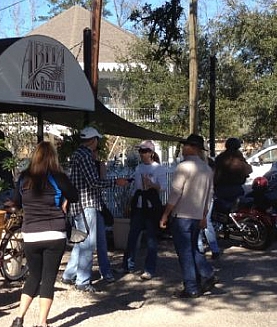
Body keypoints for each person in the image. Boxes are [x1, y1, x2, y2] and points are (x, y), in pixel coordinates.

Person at [8, 141, 79, 327]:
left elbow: (16, 202)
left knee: (33, 276)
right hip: (54, 233)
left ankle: (19, 318)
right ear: (53, 157)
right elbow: (74, 195)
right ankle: (41, 324)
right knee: (48, 278)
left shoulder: (24, 178)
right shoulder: (58, 177)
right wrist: (64, 201)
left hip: (30, 234)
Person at [62, 127, 128, 293]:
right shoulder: (85, 156)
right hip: (87, 205)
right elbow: (94, 182)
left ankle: (69, 274)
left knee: (84, 241)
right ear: (93, 140)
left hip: (81, 205)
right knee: (88, 244)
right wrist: (116, 182)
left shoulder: (78, 154)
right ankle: (83, 280)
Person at [160, 134, 216, 298]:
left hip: (182, 215)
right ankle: (206, 273)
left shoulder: (184, 167)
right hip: (197, 215)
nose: (183, 148)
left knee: (185, 252)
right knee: (192, 248)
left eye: (186, 145)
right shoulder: (206, 168)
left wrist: (165, 214)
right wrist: (204, 215)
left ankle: (191, 287)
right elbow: (209, 195)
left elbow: (175, 193)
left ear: (192, 148)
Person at [123, 140, 164, 279]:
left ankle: (149, 269)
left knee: (151, 239)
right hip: (139, 205)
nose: (142, 154)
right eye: (140, 151)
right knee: (132, 237)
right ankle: (127, 265)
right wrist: (130, 202)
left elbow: (163, 187)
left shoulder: (158, 168)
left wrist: (152, 184)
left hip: (151, 207)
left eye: (144, 151)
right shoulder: (139, 168)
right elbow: (135, 187)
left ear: (151, 153)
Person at [213, 137, 252, 206]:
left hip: (220, 190)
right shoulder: (237, 158)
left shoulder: (220, 157)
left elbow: (215, 174)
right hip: (235, 189)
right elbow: (249, 170)